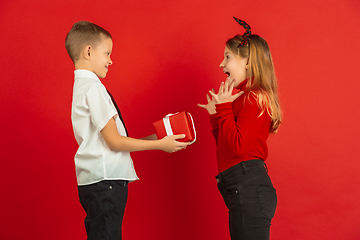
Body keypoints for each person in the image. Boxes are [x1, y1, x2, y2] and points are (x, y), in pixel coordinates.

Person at [65, 21, 189, 240]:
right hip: (107, 183)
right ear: (88, 51)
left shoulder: (83, 87)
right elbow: (114, 142)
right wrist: (160, 145)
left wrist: (160, 136)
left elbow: (113, 140)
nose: (110, 60)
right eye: (107, 53)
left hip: (98, 182)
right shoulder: (94, 88)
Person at [198, 17, 282, 240]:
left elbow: (238, 148)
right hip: (240, 188)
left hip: (249, 189)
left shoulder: (254, 97)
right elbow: (226, 144)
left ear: (247, 62)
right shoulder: (240, 98)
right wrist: (216, 115)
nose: (221, 64)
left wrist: (224, 108)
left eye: (227, 57)